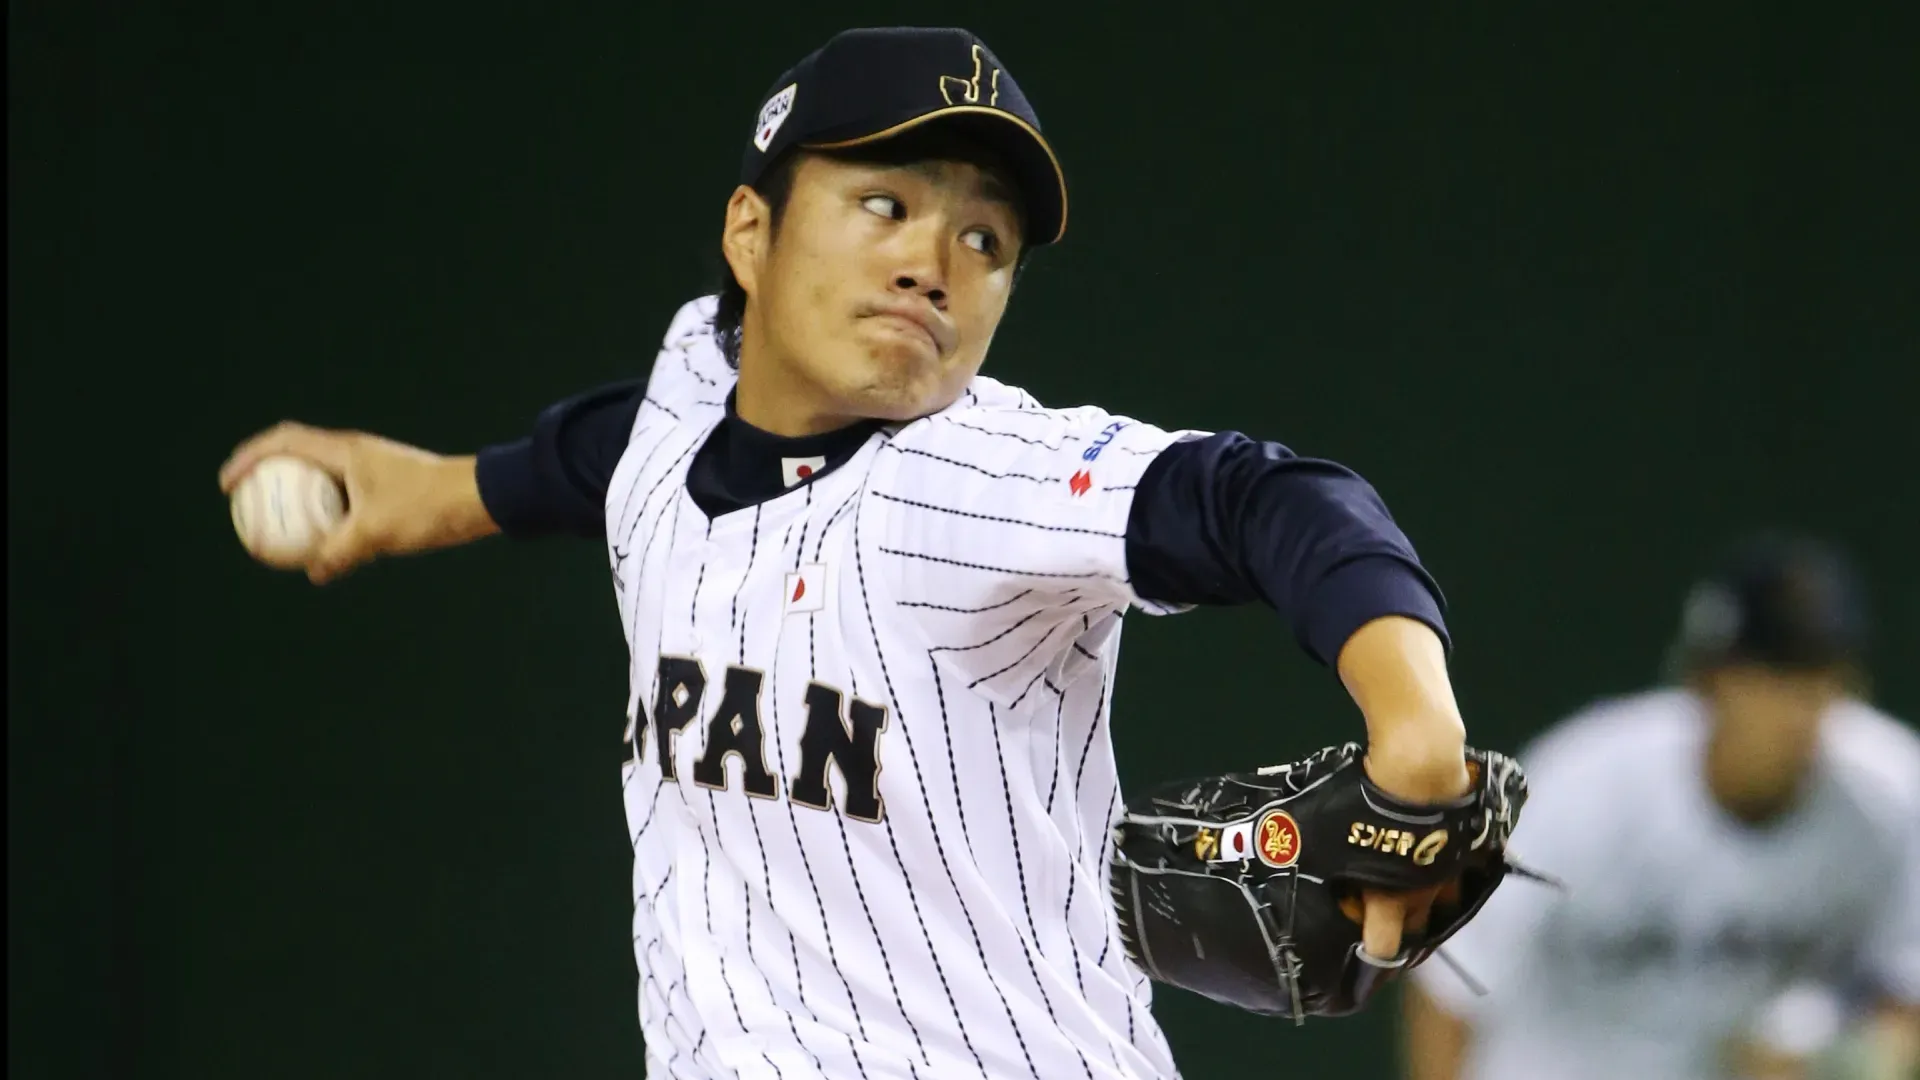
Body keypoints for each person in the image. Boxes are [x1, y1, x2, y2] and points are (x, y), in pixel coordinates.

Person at [221, 27, 1484, 1079]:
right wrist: (426, 493)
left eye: (985, 242)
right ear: (751, 233)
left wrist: (1415, 721)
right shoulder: (680, 404)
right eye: (885, 204)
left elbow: (1267, 500)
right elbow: (611, 452)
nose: (934, 265)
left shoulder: (975, 475)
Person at [1401, 532, 1920, 1080]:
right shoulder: (1585, 786)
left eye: (1818, 678)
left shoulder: (1891, 796)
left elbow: (1904, 992)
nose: (1795, 710)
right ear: (1707, 681)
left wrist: (1844, 1060)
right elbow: (1451, 977)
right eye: (1770, 677)